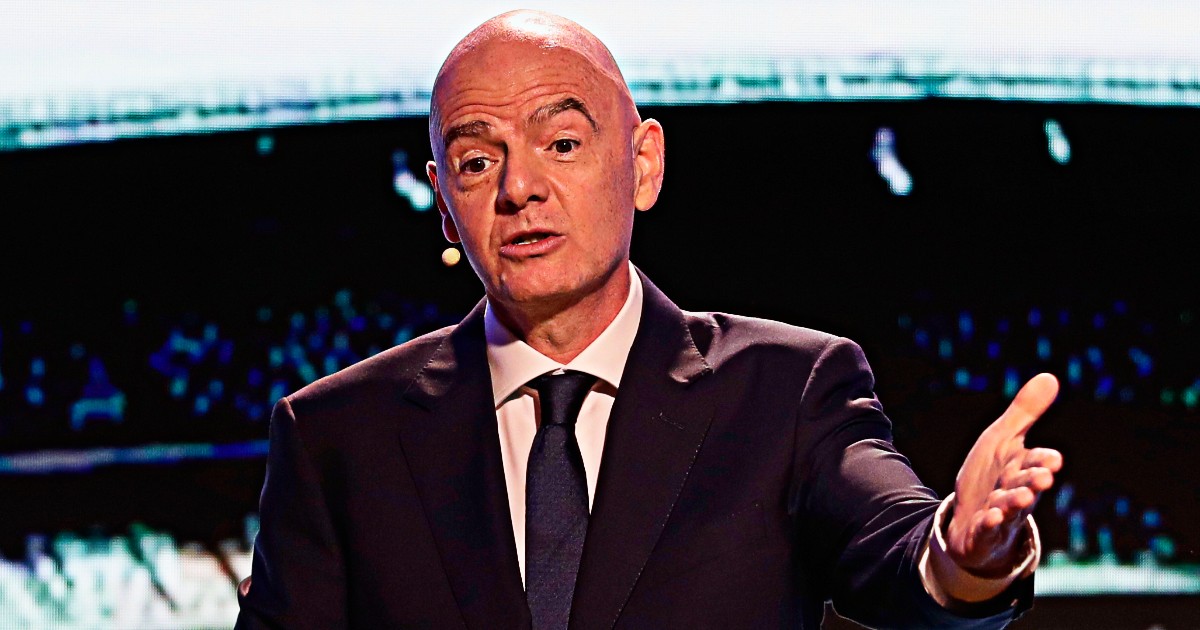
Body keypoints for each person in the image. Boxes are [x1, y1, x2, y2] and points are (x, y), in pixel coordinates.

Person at [235, 10, 1063, 629]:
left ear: (643, 164)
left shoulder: (787, 391)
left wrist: (961, 556)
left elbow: (893, 550)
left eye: (562, 144)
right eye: (478, 160)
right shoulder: (335, 438)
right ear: (446, 207)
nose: (519, 188)